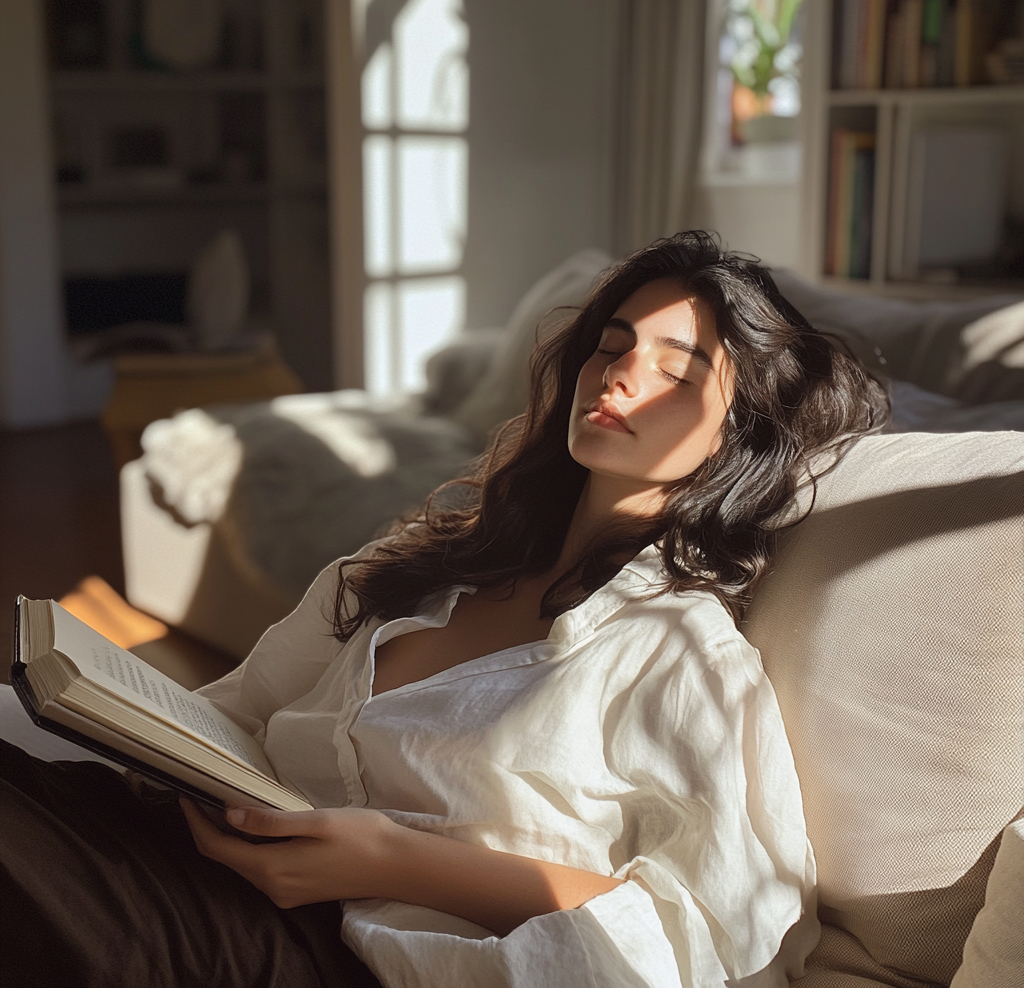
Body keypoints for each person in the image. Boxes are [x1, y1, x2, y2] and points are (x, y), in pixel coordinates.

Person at [1, 232, 888, 988]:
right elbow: (233, 708)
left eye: (675, 366)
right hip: (195, 860)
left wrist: (390, 858)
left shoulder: (679, 654)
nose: (619, 375)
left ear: (735, 431)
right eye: (611, 345)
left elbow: (720, 935)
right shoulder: (415, 565)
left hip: (351, 957)